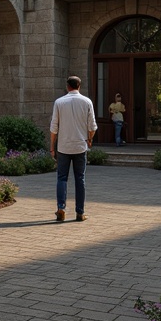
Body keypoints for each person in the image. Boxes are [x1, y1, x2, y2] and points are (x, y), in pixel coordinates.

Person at [50, 75, 97, 222]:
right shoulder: (87, 102)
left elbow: (54, 128)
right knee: (80, 179)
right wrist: (89, 139)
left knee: (62, 178)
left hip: (63, 146)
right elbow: (93, 126)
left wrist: (52, 146)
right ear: (79, 86)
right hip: (80, 145)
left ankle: (61, 209)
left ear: (67, 86)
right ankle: (80, 213)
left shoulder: (59, 102)